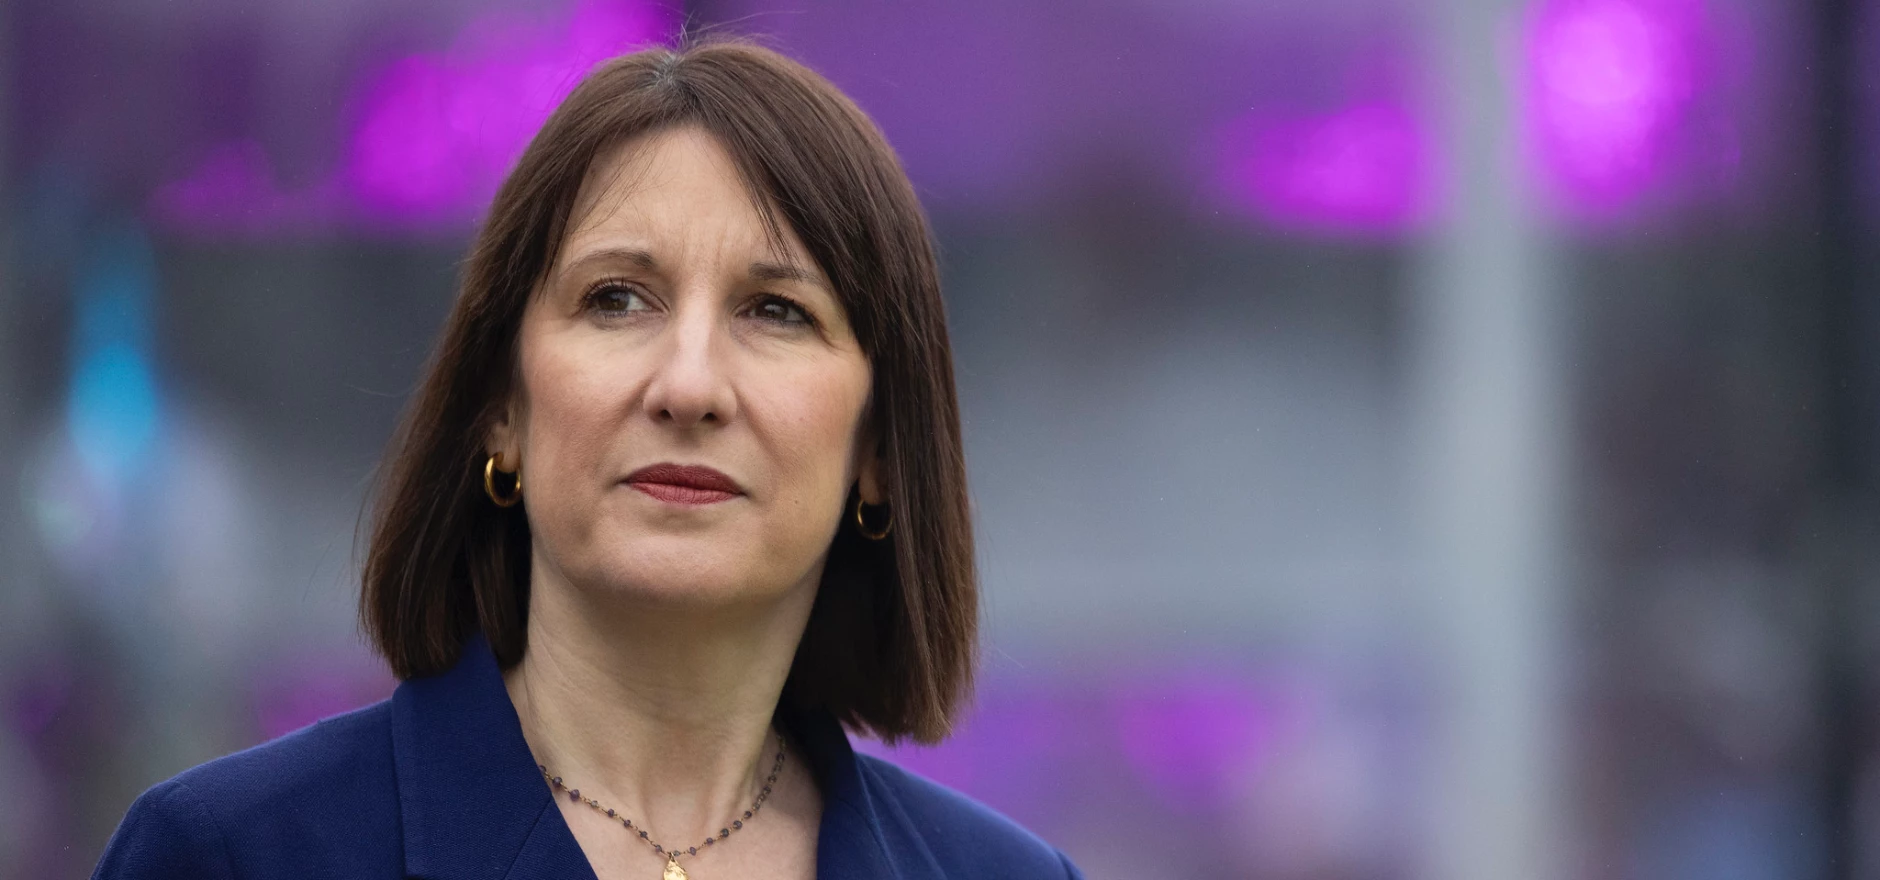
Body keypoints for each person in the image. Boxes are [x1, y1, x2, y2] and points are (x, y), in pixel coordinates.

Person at [92, 38, 1082, 880]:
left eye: (775, 311)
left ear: (877, 451)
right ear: (501, 413)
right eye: (616, 298)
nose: (688, 384)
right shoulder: (232, 855)